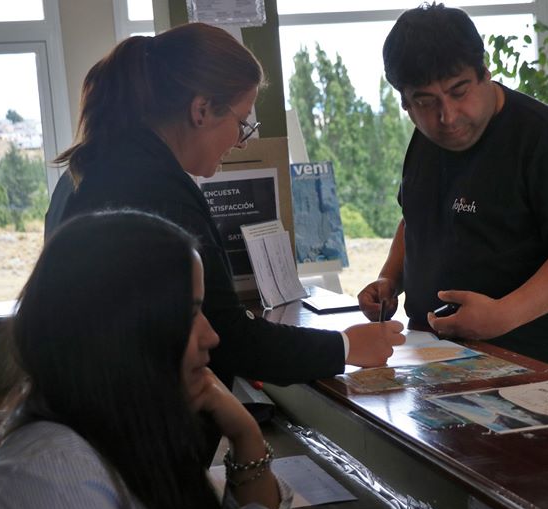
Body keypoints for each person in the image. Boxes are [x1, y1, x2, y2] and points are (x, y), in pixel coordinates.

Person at [0, 210, 293, 509]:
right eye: (188, 315)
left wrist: (247, 437)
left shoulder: (129, 437)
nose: (211, 337)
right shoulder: (54, 479)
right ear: (123, 335)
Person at [45, 23, 404, 389]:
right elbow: (224, 334)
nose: (243, 142)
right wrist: (345, 346)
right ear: (201, 110)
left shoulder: (86, 171)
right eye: (242, 123)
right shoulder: (161, 194)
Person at [358, 4, 548, 382]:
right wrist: (389, 279)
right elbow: (416, 215)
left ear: (485, 73)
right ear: (406, 103)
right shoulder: (429, 137)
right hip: (442, 364)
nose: (448, 116)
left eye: (458, 91)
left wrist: (504, 314)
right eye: (426, 102)